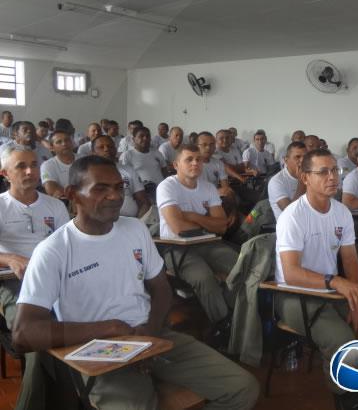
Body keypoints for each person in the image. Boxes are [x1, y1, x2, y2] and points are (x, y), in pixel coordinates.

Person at [12, 155, 259, 410]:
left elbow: (161, 289)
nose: (115, 196)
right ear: (72, 194)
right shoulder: (54, 250)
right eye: (101, 188)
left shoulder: (135, 230)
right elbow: (23, 334)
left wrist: (149, 337)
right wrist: (108, 329)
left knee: (242, 388)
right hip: (98, 350)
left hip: (150, 334)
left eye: (119, 187)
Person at [276, 148, 358, 409]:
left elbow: (350, 260)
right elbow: (291, 272)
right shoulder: (293, 215)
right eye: (323, 172)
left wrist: (356, 302)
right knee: (343, 340)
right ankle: (347, 397)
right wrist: (336, 282)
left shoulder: (341, 212)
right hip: (294, 295)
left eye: (335, 170)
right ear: (305, 178)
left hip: (332, 289)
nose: (332, 177)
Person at [0, 145, 70, 410]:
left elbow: (68, 246)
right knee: (36, 336)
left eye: (34, 164)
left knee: (82, 320)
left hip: (56, 281)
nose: (30, 171)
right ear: (5, 173)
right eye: (21, 166)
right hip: (12, 282)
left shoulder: (55, 206)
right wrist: (10, 258)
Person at [156, 145, 238, 331]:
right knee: (204, 278)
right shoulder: (167, 186)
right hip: (175, 248)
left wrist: (192, 216)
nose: (195, 163)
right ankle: (223, 325)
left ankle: (237, 315)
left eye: (198, 159)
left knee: (241, 267)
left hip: (208, 243)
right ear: (176, 164)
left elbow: (222, 226)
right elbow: (178, 228)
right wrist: (208, 222)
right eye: (189, 159)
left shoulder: (208, 187)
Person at [93, 135, 150, 218]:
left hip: (131, 221)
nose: (106, 149)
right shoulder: (88, 174)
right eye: (101, 147)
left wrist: (138, 223)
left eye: (110, 146)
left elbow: (143, 202)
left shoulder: (128, 170)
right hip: (100, 224)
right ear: (93, 152)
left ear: (115, 149)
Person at [268, 141, 306, 220]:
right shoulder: (277, 181)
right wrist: (302, 182)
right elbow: (290, 213)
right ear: (286, 160)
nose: (302, 160)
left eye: (305, 157)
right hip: (290, 227)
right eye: (297, 157)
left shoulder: (311, 175)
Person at [197, 131, 239, 198]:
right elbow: (191, 191)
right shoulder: (191, 165)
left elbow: (225, 187)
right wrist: (216, 192)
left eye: (211, 144)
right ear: (197, 146)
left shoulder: (218, 163)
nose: (208, 148)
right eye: (204, 145)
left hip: (214, 198)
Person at [41, 130, 77, 199]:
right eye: (59, 142)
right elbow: (52, 190)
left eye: (67, 140)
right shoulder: (47, 165)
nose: (64, 144)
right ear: (51, 148)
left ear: (72, 143)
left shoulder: (85, 159)